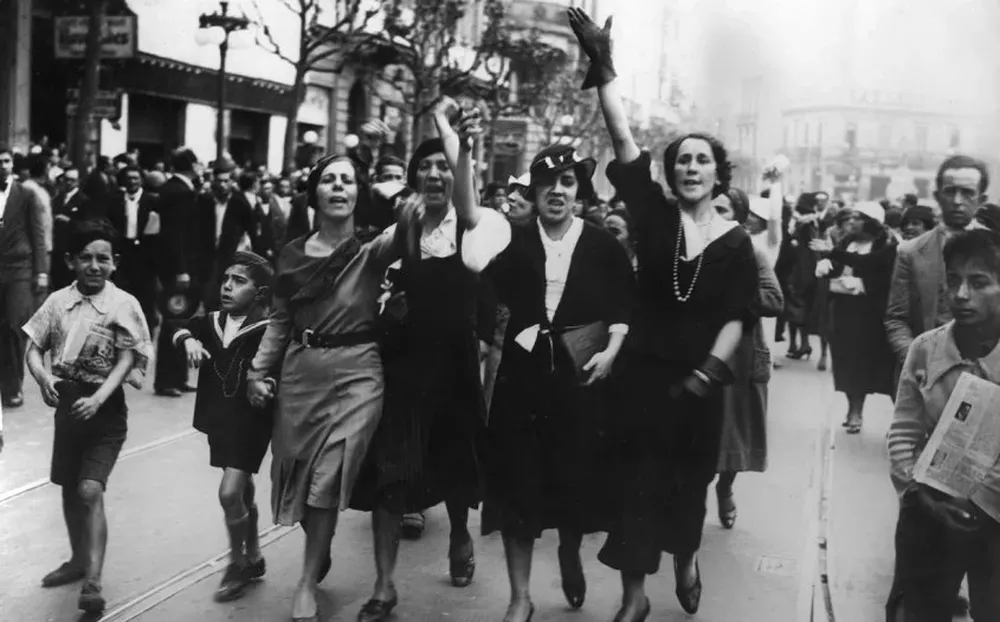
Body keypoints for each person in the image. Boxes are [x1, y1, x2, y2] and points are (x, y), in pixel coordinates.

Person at [569, 8, 758, 620]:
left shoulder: (736, 242)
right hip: (642, 378)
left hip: (699, 384)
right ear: (672, 173)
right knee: (634, 486)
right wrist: (604, 69)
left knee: (686, 488)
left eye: (702, 160)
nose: (691, 167)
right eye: (683, 160)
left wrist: (708, 373)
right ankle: (633, 599)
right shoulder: (653, 217)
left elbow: (738, 316)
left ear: (717, 173)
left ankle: (686, 556)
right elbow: (624, 144)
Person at [452, 120, 635, 619]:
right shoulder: (510, 238)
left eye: (568, 182)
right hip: (521, 379)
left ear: (579, 190)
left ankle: (570, 551)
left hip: (580, 378)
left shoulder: (601, 245)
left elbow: (624, 308)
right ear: (533, 190)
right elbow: (468, 214)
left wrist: (614, 347)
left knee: (573, 480)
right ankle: (520, 597)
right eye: (548, 183)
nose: (558, 190)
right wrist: (465, 150)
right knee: (516, 485)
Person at [349, 100, 508, 622]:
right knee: (392, 477)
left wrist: (454, 136)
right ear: (414, 177)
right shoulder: (401, 224)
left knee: (457, 466)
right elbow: (364, 270)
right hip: (404, 367)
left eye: (445, 164)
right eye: (427, 166)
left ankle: (459, 535)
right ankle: (384, 586)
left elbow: (466, 204)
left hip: (455, 364)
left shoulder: (472, 224)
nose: (435, 173)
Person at [246, 153, 418, 622]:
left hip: (358, 373)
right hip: (301, 375)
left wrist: (393, 192)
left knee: (325, 479)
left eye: (348, 181)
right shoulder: (293, 253)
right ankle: (317, 549)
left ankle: (305, 582)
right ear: (314, 193)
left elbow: (410, 223)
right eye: (329, 180)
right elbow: (280, 322)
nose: (338, 187)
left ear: (359, 193)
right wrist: (257, 371)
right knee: (301, 478)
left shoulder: (371, 249)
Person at [23, 218, 153, 613]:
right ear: (70, 261)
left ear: (115, 262)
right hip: (67, 406)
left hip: (106, 410)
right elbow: (33, 347)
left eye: (103, 259)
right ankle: (78, 559)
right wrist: (43, 377)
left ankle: (93, 581)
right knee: (67, 485)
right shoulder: (57, 303)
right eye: (85, 258)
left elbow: (129, 355)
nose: (94, 266)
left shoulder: (123, 304)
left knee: (89, 488)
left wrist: (99, 398)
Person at [885, 228, 1000, 622]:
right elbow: (903, 432)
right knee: (919, 609)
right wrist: (920, 491)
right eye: (954, 281)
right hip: (929, 511)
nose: (962, 294)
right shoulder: (926, 349)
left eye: (979, 282)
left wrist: (979, 498)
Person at [173, 252, 274, 602]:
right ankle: (255, 553)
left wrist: (265, 384)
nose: (228, 286)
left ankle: (237, 564)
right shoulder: (213, 320)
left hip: (251, 422)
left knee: (229, 492)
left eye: (239, 281)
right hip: (221, 421)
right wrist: (188, 340)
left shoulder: (267, 328)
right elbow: (180, 325)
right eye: (226, 279)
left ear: (260, 293)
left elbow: (278, 367)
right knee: (243, 489)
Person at [712, 188, 783, 527]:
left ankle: (725, 488)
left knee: (735, 432)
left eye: (723, 210)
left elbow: (773, 300)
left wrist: (734, 292)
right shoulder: (684, 252)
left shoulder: (753, 254)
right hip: (694, 356)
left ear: (739, 219)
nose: (714, 216)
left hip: (740, 359)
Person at [886, 155, 988, 370]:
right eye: (950, 191)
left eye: (968, 192)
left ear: (981, 199)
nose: (958, 201)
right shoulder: (911, 251)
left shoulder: (995, 249)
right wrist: (916, 362)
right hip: (926, 374)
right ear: (937, 196)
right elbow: (897, 319)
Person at [811, 202, 898, 433]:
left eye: (857, 218)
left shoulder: (887, 244)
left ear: (871, 222)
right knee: (847, 363)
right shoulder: (848, 242)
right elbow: (842, 265)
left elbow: (875, 267)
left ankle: (903, 419)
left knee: (876, 365)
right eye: (850, 217)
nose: (851, 222)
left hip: (871, 316)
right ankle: (854, 411)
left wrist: (863, 284)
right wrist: (827, 265)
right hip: (844, 311)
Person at [0, 144, 50, 409]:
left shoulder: (26, 194)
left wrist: (41, 272)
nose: (2, 166)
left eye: (6, 161)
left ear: (12, 165)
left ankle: (12, 387)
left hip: (19, 268)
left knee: (14, 328)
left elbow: (38, 234)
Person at [154, 147, 199, 397]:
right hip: (177, 269)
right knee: (175, 319)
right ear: (191, 165)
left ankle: (179, 376)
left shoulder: (173, 188)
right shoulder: (179, 192)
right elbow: (176, 236)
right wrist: (182, 268)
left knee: (183, 319)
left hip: (174, 267)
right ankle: (167, 380)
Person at [108, 165, 161, 334]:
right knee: (121, 296)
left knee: (146, 298)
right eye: (129, 178)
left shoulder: (152, 201)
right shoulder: (115, 200)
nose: (132, 181)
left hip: (145, 256)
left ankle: (145, 337)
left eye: (135, 178)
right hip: (123, 254)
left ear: (141, 180)